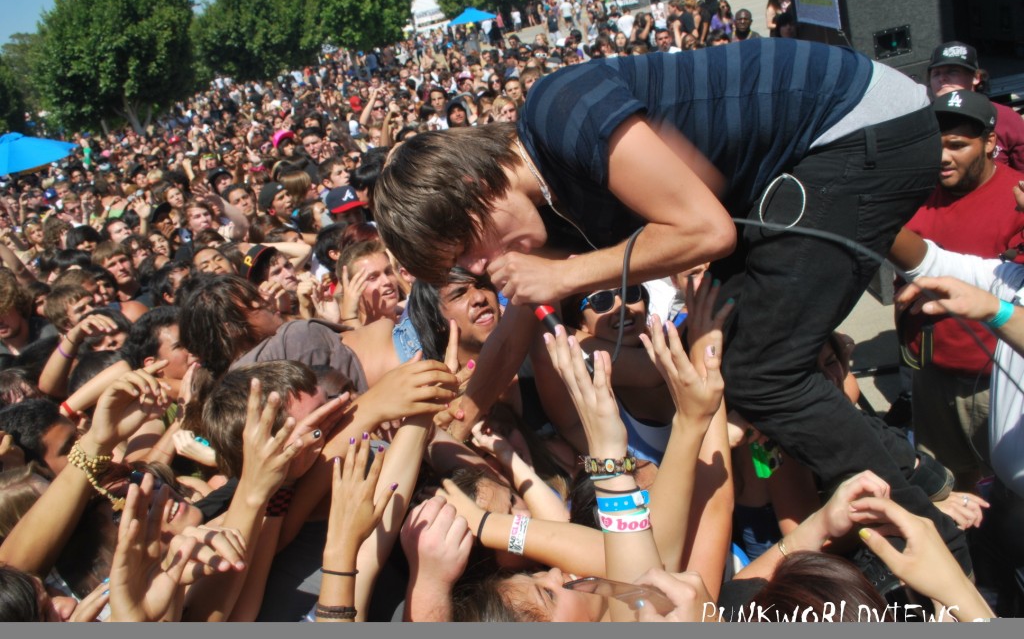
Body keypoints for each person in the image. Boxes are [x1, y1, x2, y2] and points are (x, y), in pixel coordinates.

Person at [374, 38, 971, 573]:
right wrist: (460, 414)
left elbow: (708, 232)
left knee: (762, 370)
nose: (480, 271)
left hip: (858, 127)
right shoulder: (551, 209)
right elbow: (517, 321)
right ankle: (918, 475)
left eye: (468, 251)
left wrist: (566, 273)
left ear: (475, 190)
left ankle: (936, 549)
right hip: (806, 158)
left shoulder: (557, 113)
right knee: (725, 357)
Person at [900, 90, 1024, 490]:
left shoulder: (1018, 199)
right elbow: (926, 261)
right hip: (932, 378)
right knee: (948, 490)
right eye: (935, 145)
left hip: (995, 384)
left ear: (990, 143)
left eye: (957, 145)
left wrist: (995, 311)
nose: (942, 158)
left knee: (1006, 496)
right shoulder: (913, 191)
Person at [928, 41, 1024, 172]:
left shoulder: (1006, 118)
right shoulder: (922, 123)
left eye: (952, 72)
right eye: (936, 73)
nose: (942, 78)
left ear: (976, 77)